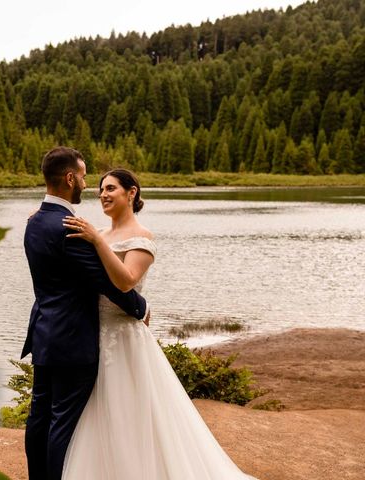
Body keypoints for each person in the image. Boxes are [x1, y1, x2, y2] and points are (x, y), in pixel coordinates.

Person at [60, 168, 257, 479]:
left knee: (131, 411)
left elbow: (125, 282)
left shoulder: (142, 238)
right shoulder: (98, 232)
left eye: (111, 188)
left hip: (124, 336)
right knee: (97, 413)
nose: (103, 195)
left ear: (131, 193)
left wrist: (97, 241)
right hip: (93, 333)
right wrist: (40, 216)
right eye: (100, 190)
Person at [21, 147, 150, 480]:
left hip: (44, 334)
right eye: (82, 176)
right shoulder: (68, 228)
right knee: (62, 422)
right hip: (73, 340)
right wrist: (141, 307)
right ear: (68, 178)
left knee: (38, 418)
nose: (86, 184)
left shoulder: (34, 222)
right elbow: (106, 282)